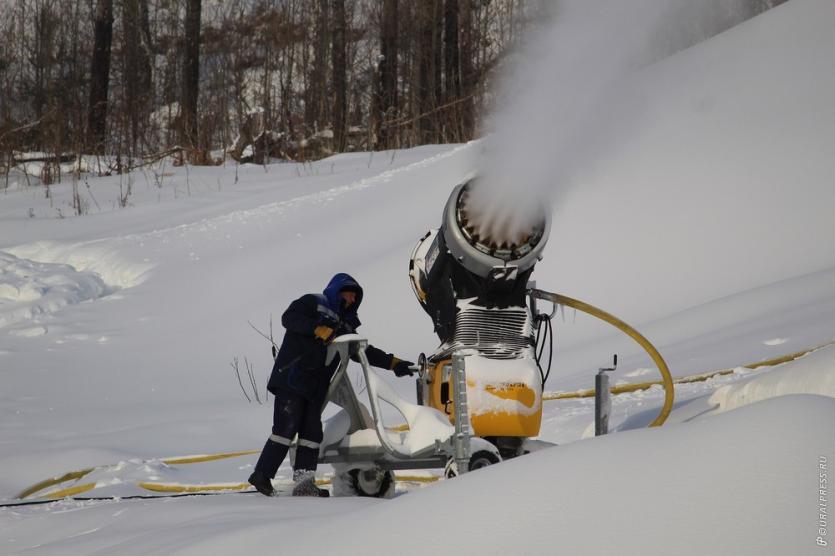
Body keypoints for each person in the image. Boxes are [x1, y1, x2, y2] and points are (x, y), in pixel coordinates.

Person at [248, 273, 415, 497]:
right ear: (337, 290)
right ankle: (262, 475)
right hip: (292, 378)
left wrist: (394, 363)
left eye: (356, 297)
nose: (353, 300)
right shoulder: (313, 302)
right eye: (350, 294)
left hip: (315, 388)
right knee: (285, 428)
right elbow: (289, 318)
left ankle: (304, 484)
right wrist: (315, 328)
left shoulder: (344, 327)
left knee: (311, 434)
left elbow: (361, 352)